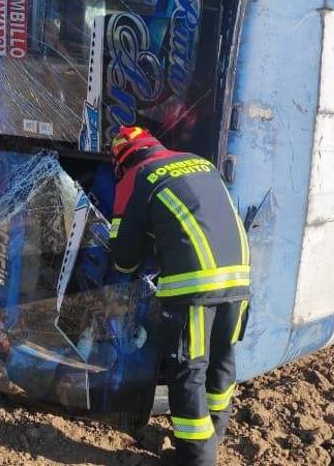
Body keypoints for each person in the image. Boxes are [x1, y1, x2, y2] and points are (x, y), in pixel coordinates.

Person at [106, 126, 251, 466]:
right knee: (222, 359)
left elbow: (124, 258)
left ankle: (196, 459)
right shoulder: (199, 162)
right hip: (240, 276)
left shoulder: (136, 177)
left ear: (120, 161)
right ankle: (216, 432)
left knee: (188, 372)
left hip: (194, 286)